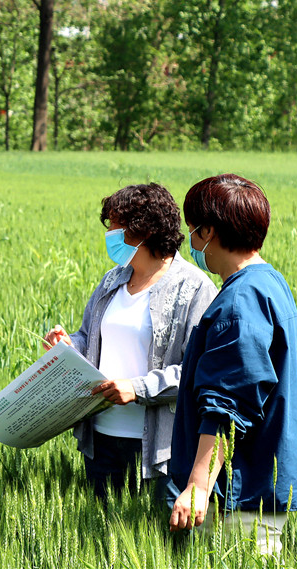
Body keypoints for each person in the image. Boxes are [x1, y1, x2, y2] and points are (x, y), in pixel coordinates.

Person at [43, 183, 217, 505]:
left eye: (116, 225)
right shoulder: (113, 279)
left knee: (163, 546)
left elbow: (199, 370)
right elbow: (89, 337)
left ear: (144, 230)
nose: (109, 232)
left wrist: (137, 389)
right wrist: (68, 345)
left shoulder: (194, 289)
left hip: (158, 449)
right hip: (102, 438)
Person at [168, 174, 297, 555]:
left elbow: (228, 406)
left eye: (194, 232)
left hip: (239, 494)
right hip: (255, 486)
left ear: (210, 232)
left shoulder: (239, 301)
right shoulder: (269, 281)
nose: (193, 244)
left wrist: (198, 486)